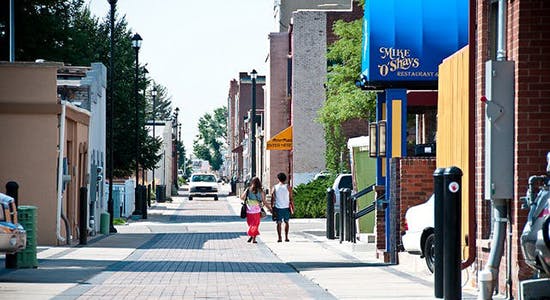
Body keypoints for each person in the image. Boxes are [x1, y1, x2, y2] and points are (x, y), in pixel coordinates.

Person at [240, 177, 268, 243]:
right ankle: (253, 238)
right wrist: (270, 209)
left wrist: (248, 199)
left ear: (252, 182)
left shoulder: (248, 189)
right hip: (257, 210)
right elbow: (264, 201)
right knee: (256, 224)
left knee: (250, 224)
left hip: (249, 210)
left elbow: (242, 197)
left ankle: (251, 235)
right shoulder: (261, 191)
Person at [270, 172, 294, 242]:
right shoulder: (288, 187)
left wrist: (272, 207)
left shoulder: (275, 187)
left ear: (278, 179)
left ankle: (279, 237)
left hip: (278, 207)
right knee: (286, 222)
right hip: (286, 207)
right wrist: (293, 207)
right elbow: (291, 198)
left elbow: (272, 198)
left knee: (279, 223)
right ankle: (286, 237)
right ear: (285, 179)